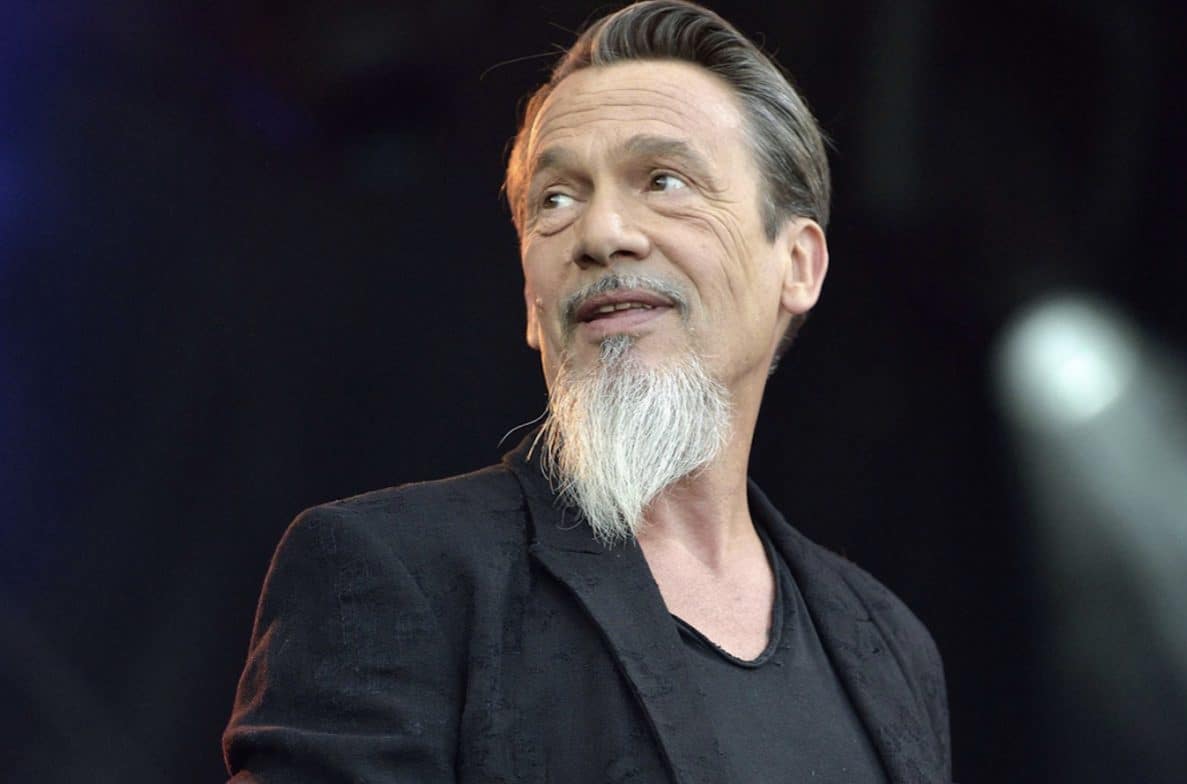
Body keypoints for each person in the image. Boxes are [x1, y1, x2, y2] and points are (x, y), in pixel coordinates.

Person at [223, 1, 952, 782]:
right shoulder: (396, 573)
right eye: (556, 200)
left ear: (797, 265)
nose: (601, 234)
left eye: (664, 180)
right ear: (530, 301)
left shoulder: (889, 645)